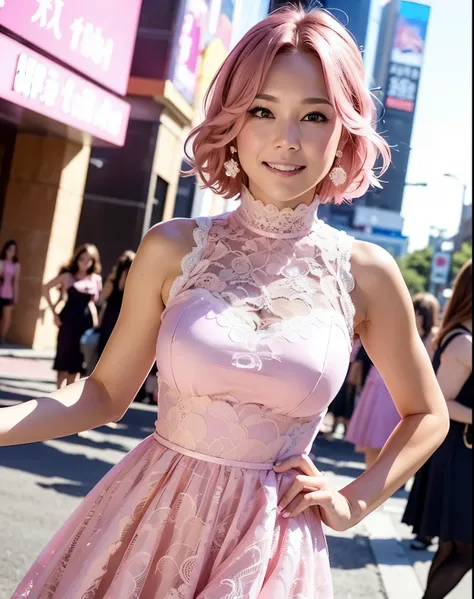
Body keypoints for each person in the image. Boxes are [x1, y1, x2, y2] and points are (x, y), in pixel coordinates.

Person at [1, 7, 449, 598]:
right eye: (262, 110)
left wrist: (352, 501)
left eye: (314, 115)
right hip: (148, 527)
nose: (287, 140)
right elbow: (105, 394)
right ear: (233, 121)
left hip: (270, 548)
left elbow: (427, 413)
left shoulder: (366, 273)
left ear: (343, 130)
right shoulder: (171, 247)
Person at [402, 260, 472, 599]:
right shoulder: (463, 343)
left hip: (461, 456)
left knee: (453, 548)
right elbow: (441, 402)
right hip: (460, 456)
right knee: (462, 549)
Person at [345, 293, 439, 468]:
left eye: (421, 312)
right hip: (380, 384)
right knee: (370, 438)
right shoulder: (400, 329)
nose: (417, 315)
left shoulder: (432, 337)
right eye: (415, 310)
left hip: (400, 391)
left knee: (389, 440)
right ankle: (369, 475)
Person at [43, 244, 102, 389]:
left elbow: (93, 302)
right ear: (77, 259)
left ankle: (67, 400)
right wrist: (54, 313)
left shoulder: (95, 279)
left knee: (76, 364)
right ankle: (57, 394)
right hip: (68, 322)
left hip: (85, 324)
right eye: (82, 258)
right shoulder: (67, 277)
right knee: (63, 361)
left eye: (89, 260)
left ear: (94, 262)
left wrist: (95, 320)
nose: (85, 262)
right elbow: (45, 288)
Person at [97, 250, 136, 357]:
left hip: (110, 314)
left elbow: (102, 297)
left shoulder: (113, 278)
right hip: (124, 315)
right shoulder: (135, 280)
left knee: (105, 348)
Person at [0, 239, 21, 345]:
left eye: (14, 250)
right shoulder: (1, 262)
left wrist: (15, 298)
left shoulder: (16, 266)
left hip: (8, 294)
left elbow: (16, 282)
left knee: (6, 318)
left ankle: (2, 337)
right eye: (9, 250)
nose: (11, 252)